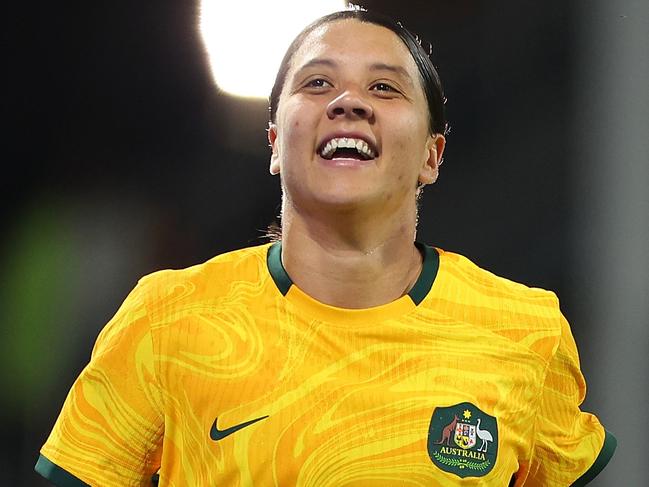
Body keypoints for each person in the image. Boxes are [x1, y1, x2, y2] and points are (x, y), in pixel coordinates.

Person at [35, 7, 616, 486]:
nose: (348, 102)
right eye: (317, 83)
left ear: (431, 157)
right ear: (273, 144)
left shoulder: (524, 329)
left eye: (384, 87)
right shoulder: (167, 318)